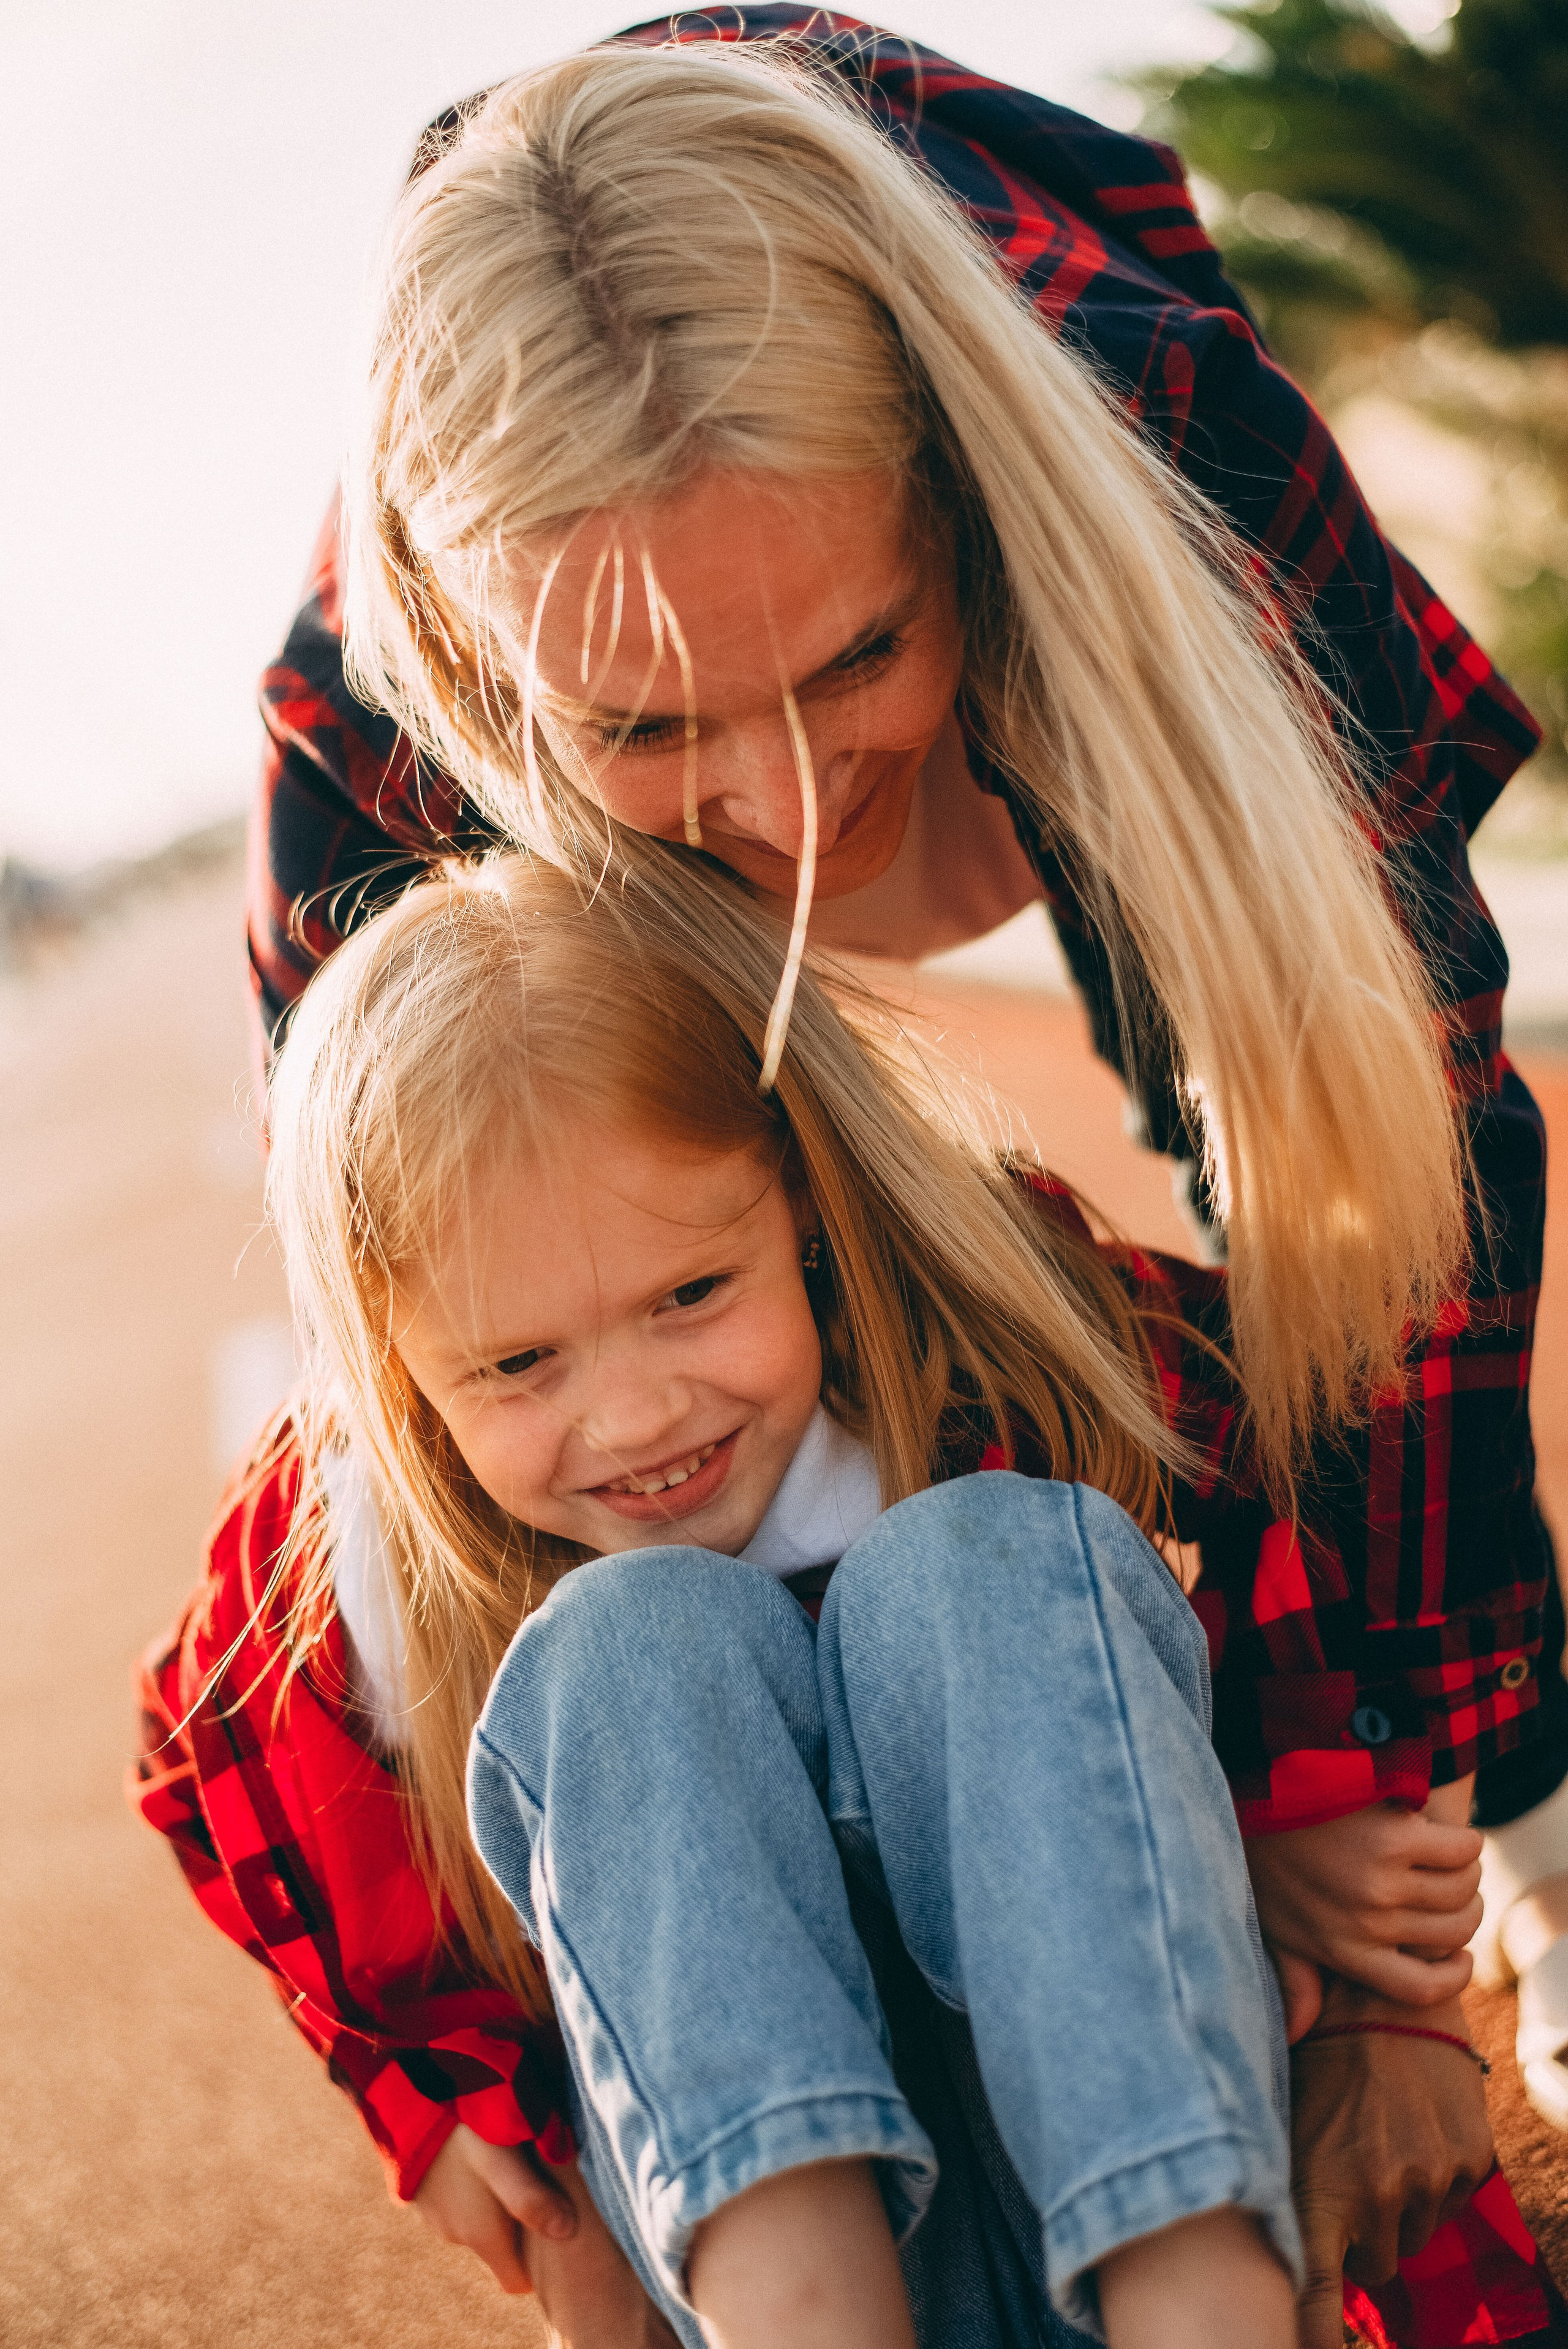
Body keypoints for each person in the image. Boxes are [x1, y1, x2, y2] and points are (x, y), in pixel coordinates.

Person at [189, 2, 1559, 2331]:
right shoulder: (363, 718)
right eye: (646, 723)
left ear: (951, 521)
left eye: (848, 661)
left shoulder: (1156, 447)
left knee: (1280, 1221)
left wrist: (1408, 1858)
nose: (787, 805)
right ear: (484, 666)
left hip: (1097, 599)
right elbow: (399, 1468)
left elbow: (1381, 1163)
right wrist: (464, 2084)